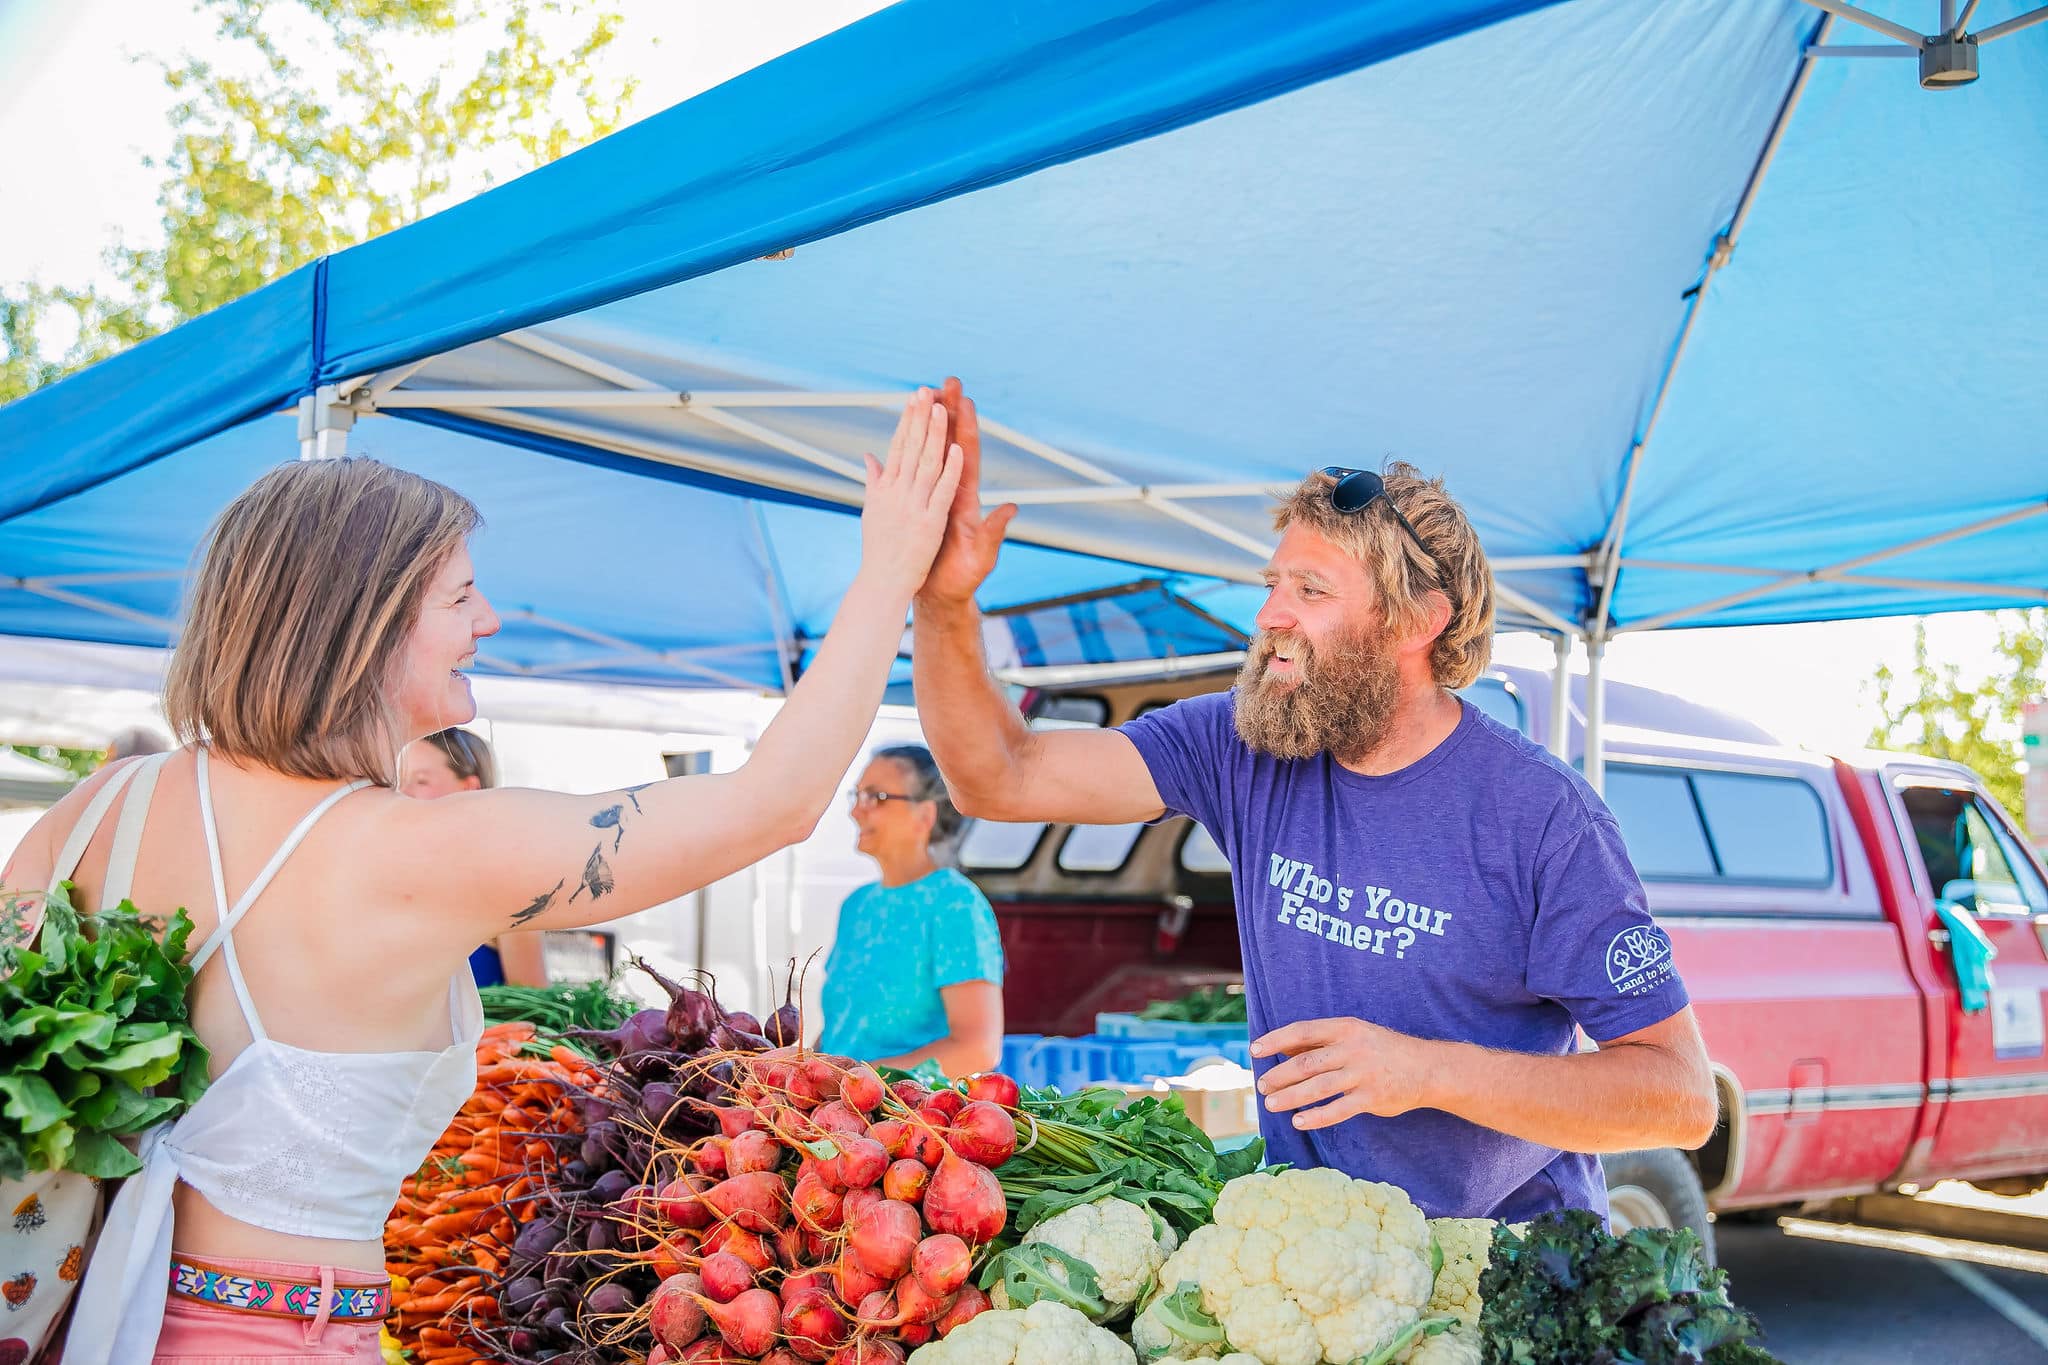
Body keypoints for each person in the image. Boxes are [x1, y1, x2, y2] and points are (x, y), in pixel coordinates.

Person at [0, 388, 962, 1362]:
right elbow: (771, 803)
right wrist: (888, 571)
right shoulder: (410, 850)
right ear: (360, 622)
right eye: (460, 597)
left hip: (93, 1324)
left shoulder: (101, 806)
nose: (489, 621)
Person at [910, 378, 1716, 1224]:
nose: (1269, 615)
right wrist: (944, 602)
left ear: (1417, 623)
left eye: (1311, 590)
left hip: (1507, 1267)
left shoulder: (1543, 818)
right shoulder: (1241, 745)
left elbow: (1680, 1096)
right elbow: (1000, 774)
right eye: (1273, 584)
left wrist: (1427, 1071)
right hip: (1317, 1251)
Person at [817, 744, 1004, 1076]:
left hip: (908, 1106)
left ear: (925, 815)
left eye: (876, 797)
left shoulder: (955, 903)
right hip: (841, 1103)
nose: (856, 811)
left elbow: (977, 1049)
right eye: (857, 796)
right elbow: (842, 1031)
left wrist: (856, 1080)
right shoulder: (856, 905)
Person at [401, 727, 548, 988]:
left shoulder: (508, 882)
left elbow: (532, 1000)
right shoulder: (400, 873)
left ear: (469, 788)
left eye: (421, 781)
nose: (403, 792)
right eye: (400, 780)